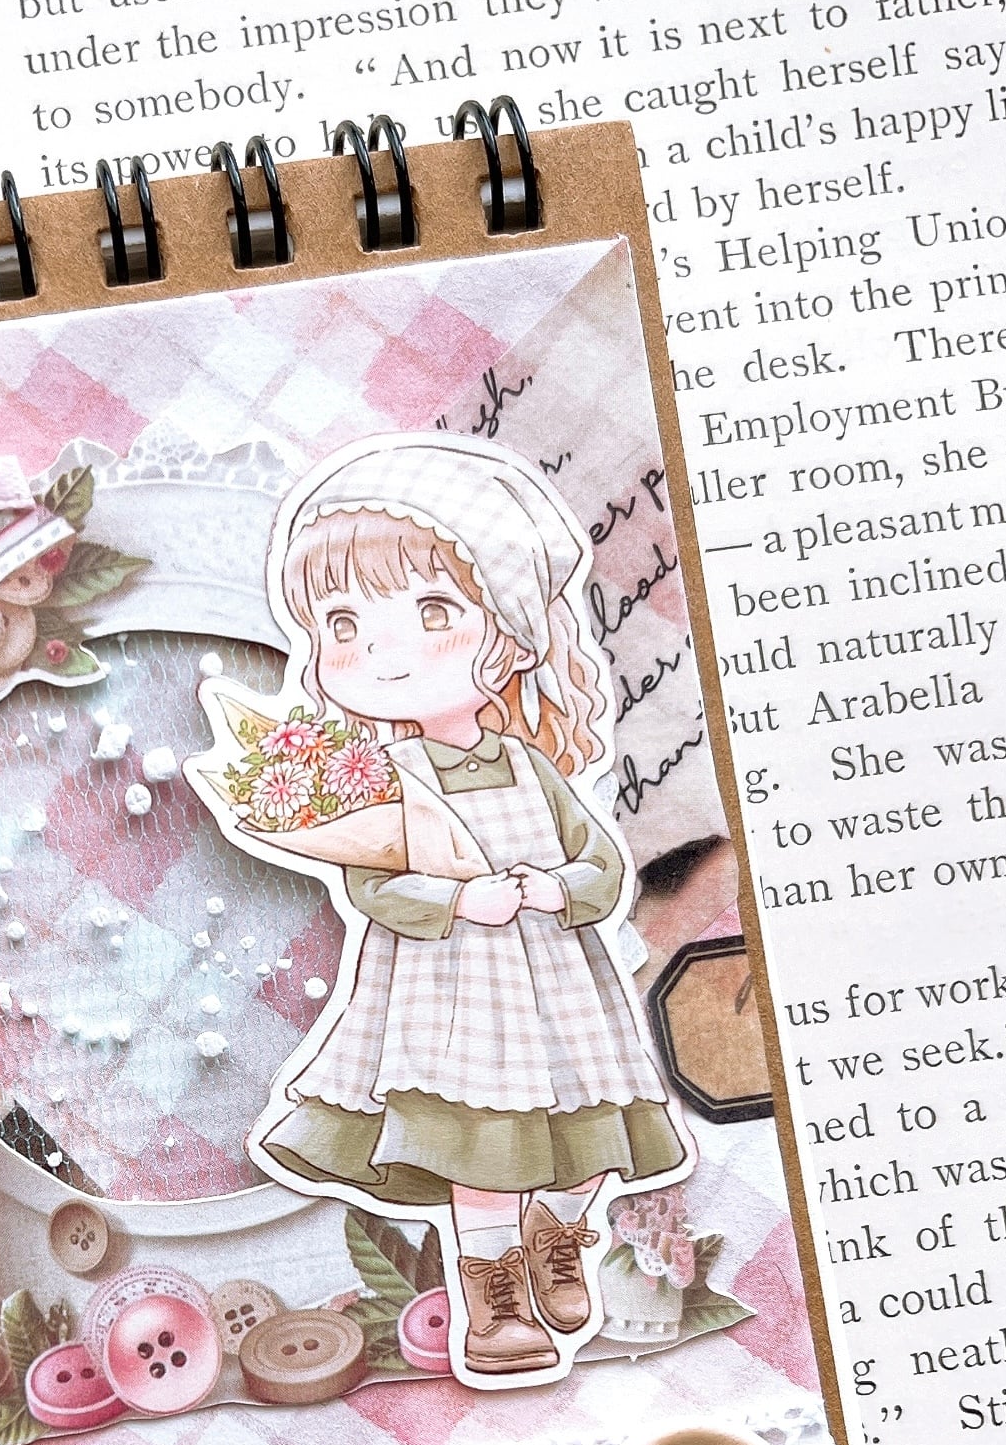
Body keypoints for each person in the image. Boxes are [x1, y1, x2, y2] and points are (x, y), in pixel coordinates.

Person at [257, 436, 688, 1378]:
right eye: (342, 622)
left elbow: (600, 867)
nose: (383, 651)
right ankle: (494, 1306)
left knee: (587, 1140)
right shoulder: (387, 777)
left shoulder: (530, 767)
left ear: (510, 637)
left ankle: (560, 1235)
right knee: (478, 1153)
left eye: (432, 612)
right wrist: (457, 903)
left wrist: (554, 890)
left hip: (559, 994)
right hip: (450, 1002)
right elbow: (372, 884)